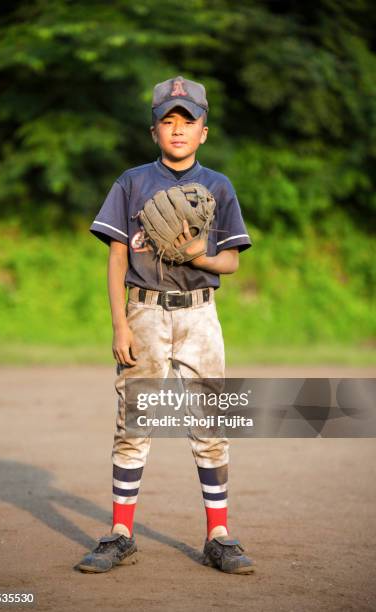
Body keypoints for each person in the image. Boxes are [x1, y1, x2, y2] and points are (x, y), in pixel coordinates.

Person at [76, 76, 254, 575]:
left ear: (204, 131)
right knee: (134, 424)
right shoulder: (131, 182)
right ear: (154, 130)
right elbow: (115, 260)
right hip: (145, 311)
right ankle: (120, 533)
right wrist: (119, 324)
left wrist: (200, 252)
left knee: (210, 423)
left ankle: (218, 535)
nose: (178, 129)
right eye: (168, 121)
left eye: (188, 121)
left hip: (200, 314)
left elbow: (233, 263)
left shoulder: (219, 186)